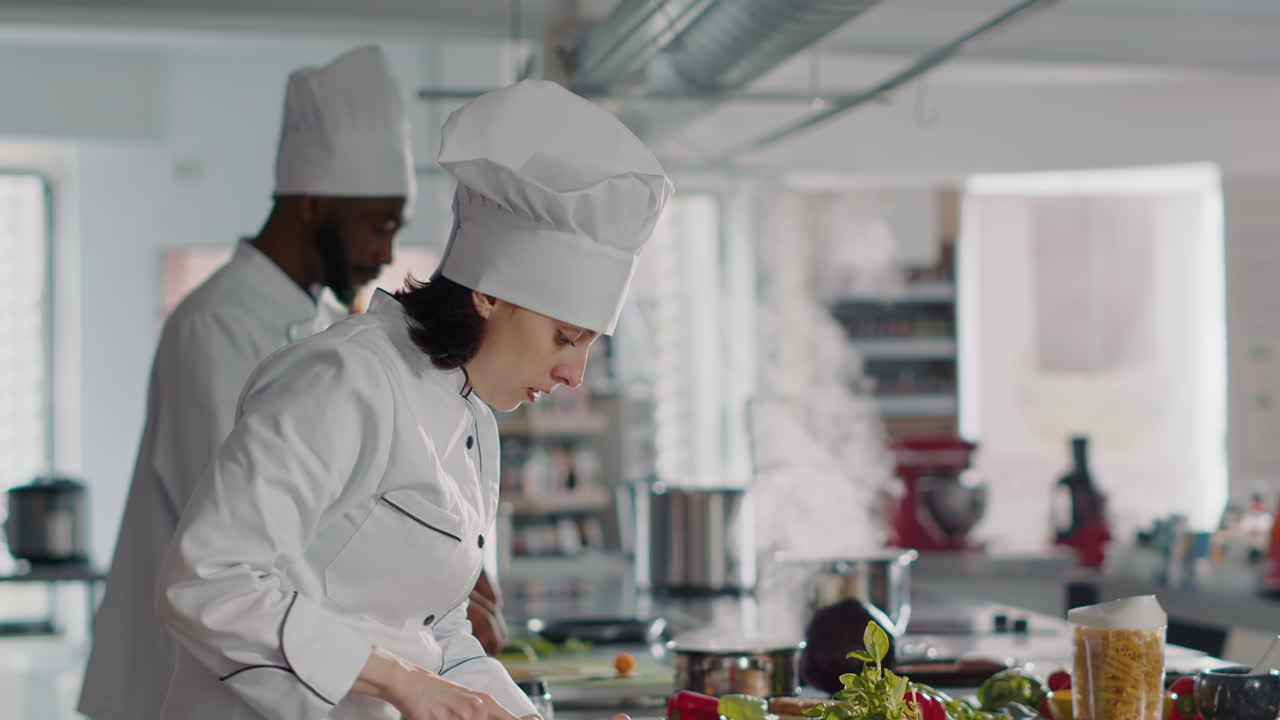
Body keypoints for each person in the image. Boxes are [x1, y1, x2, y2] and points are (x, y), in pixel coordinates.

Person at [154, 78, 672, 720]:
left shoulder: (471, 420)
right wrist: (401, 682)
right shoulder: (345, 378)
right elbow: (208, 581)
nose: (574, 374)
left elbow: (442, 638)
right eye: (566, 337)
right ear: (489, 294)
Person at [78, 45, 505, 720]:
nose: (385, 253)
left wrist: (436, 586)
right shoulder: (215, 325)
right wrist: (415, 620)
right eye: (378, 225)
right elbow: (242, 532)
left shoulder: (326, 324)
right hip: (196, 675)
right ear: (312, 205)